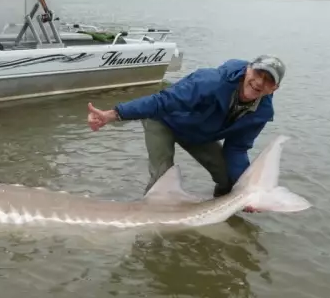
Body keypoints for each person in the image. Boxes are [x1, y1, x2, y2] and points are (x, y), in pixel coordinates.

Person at [87, 55, 285, 210]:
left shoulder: (261, 113)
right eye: (258, 74)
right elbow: (162, 102)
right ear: (247, 69)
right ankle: (151, 232)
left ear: (275, 88)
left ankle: (221, 214)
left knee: (228, 179)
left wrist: (246, 191)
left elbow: (237, 148)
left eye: (268, 81)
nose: (259, 82)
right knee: (161, 178)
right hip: (163, 120)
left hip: (197, 134)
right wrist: (113, 114)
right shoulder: (211, 82)